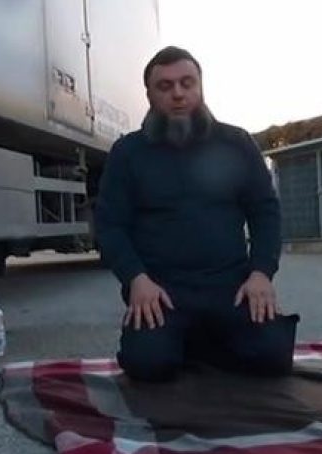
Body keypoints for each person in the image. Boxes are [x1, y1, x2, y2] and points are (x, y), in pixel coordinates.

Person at [94, 46, 298, 383]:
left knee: (273, 357)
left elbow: (265, 211)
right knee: (148, 365)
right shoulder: (128, 153)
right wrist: (136, 280)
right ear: (149, 95)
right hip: (161, 291)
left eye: (187, 83)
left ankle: (199, 339)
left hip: (232, 287)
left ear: (200, 86)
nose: (178, 94)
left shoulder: (237, 142)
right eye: (165, 86)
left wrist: (261, 273)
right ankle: (184, 340)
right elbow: (110, 224)